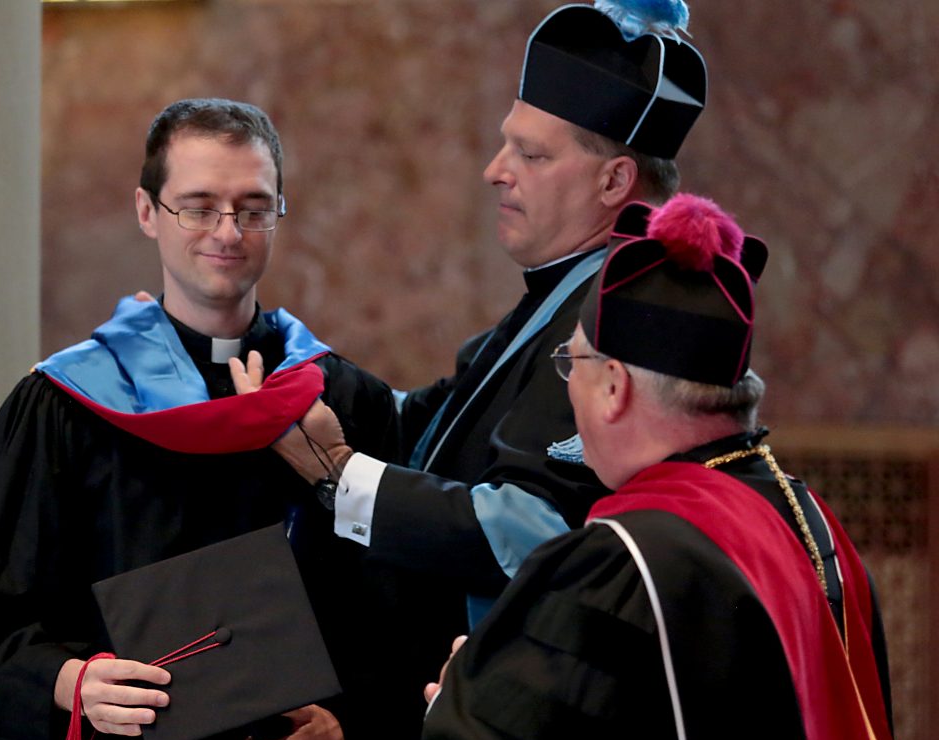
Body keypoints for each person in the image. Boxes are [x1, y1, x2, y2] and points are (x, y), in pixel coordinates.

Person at [0, 98, 408, 740]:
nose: (228, 231)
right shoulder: (65, 406)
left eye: (253, 207)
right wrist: (74, 681)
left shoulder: (343, 404)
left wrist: (348, 734)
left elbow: (401, 624)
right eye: (198, 206)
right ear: (147, 211)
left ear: (280, 212)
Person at [264, 1, 709, 694]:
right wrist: (275, 351)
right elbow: (430, 423)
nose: (495, 170)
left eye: (530, 154)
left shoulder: (624, 319)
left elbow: (533, 530)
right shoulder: (565, 285)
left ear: (614, 181)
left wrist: (340, 476)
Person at [409, 194, 902, 740]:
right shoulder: (815, 527)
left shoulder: (621, 562)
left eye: (573, 364)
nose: (572, 389)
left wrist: (461, 703)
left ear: (614, 386)